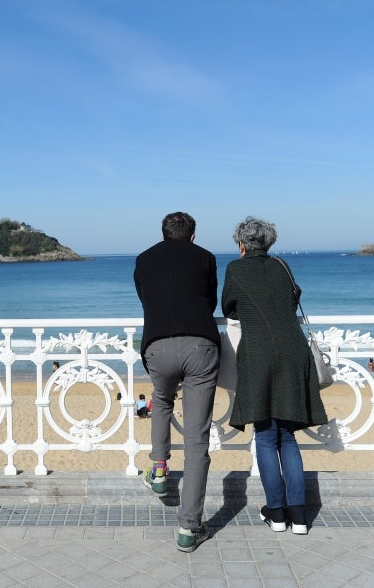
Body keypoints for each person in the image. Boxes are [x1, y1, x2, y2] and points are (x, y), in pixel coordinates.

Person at [221, 217, 328, 536]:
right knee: (288, 435)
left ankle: (277, 513)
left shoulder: (235, 269)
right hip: (294, 351)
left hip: (259, 353)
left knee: (266, 436)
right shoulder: (282, 266)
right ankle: (299, 516)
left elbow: (229, 308)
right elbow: (293, 298)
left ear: (241, 244)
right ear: (269, 243)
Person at [134, 211, 221, 553]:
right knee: (198, 438)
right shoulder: (206, 258)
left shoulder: (143, 259)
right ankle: (188, 528)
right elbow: (210, 300)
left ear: (163, 233)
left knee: (162, 400)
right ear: (192, 236)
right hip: (200, 344)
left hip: (157, 344)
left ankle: (158, 470)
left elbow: (145, 299)